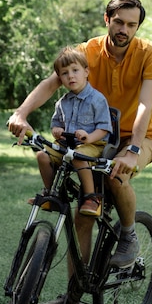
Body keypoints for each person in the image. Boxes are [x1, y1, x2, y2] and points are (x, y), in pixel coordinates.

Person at [8, 0, 152, 304]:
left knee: (116, 174)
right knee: (83, 215)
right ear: (107, 19)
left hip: (139, 136)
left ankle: (129, 235)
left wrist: (133, 149)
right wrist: (21, 113)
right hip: (92, 138)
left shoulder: (150, 53)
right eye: (118, 22)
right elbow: (52, 83)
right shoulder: (89, 50)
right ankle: (73, 302)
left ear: (138, 26)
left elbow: (146, 105)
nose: (124, 29)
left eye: (132, 24)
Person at [34, 46, 112, 216]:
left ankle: (92, 197)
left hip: (93, 145)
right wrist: (57, 130)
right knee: (42, 155)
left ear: (86, 72)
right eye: (64, 73)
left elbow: (104, 128)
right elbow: (56, 123)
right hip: (67, 145)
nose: (70, 76)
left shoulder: (97, 99)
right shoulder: (62, 102)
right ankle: (52, 194)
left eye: (75, 70)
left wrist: (89, 137)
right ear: (60, 78)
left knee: (76, 157)